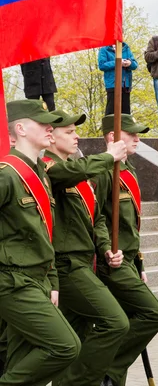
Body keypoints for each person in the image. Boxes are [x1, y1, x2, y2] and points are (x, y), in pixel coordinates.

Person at [42, 109, 131, 386]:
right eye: (69, 132)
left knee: (78, 335)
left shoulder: (76, 172)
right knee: (116, 322)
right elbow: (70, 172)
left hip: (85, 261)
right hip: (67, 265)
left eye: (75, 130)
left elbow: (96, 218)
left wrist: (106, 247)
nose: (76, 135)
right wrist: (108, 156)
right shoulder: (48, 166)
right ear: (51, 136)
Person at [0, 99, 81, 384]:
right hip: (13, 281)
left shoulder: (40, 175)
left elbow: (46, 235)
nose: (51, 128)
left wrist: (52, 280)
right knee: (65, 346)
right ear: (20, 128)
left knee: (22, 360)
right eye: (43, 123)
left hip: (39, 279)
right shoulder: (6, 174)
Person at [93, 114, 158, 386]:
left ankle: (111, 378)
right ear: (112, 138)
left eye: (138, 133)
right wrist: (106, 250)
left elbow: (132, 227)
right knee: (153, 313)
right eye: (131, 133)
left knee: (127, 320)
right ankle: (105, 370)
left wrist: (141, 266)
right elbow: (96, 217)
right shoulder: (102, 172)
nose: (137, 138)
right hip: (111, 261)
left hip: (130, 260)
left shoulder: (129, 170)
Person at [98, 43, 138, 115]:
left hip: (125, 85)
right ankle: (109, 126)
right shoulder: (104, 50)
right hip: (112, 85)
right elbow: (102, 65)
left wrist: (129, 63)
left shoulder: (126, 48)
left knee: (125, 113)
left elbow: (135, 65)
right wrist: (117, 62)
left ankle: (124, 126)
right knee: (111, 111)